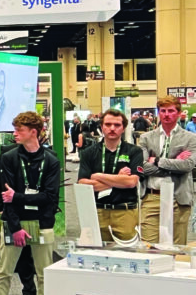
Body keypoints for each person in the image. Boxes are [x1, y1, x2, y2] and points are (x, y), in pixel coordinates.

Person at [0, 111, 60, 295]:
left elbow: (50, 197)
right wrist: (15, 227)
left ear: (33, 132)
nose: (15, 134)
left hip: (42, 223)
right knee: (4, 273)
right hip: (14, 222)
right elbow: (4, 194)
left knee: (44, 275)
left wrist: (18, 197)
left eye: (20, 130)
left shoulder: (52, 160)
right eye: (15, 129)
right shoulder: (9, 157)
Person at [77, 108, 143, 242]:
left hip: (125, 212)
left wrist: (97, 176)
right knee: (96, 255)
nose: (112, 128)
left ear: (123, 128)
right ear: (101, 127)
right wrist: (119, 178)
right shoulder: (89, 152)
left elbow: (131, 182)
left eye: (117, 125)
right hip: (97, 212)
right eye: (108, 124)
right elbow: (83, 183)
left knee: (126, 255)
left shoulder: (134, 151)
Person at [137, 96, 196, 245]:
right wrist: (175, 163)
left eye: (171, 111)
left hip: (178, 198)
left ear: (178, 113)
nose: (166, 114)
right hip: (152, 197)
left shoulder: (190, 138)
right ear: (159, 113)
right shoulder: (146, 138)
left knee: (176, 247)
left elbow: (187, 166)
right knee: (148, 247)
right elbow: (142, 168)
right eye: (163, 111)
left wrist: (156, 160)